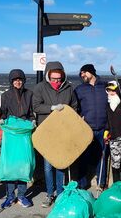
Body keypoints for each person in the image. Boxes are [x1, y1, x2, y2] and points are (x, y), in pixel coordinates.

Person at [32, 61, 78, 208]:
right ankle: (49, 194)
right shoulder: (40, 87)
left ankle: (60, 193)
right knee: (47, 167)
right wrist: (52, 108)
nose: (57, 81)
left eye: (59, 78)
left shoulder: (69, 88)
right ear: (48, 76)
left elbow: (75, 106)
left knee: (61, 164)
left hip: (63, 132)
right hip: (47, 132)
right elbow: (36, 107)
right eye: (53, 79)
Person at [0, 69, 34, 209]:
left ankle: (21, 195)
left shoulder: (29, 94)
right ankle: (10, 196)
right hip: (11, 132)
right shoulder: (5, 95)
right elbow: (3, 112)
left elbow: (31, 113)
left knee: (23, 165)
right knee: (10, 165)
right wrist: (1, 120)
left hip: (24, 132)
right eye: (15, 80)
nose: (18, 82)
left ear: (23, 81)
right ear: (11, 81)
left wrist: (33, 121)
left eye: (20, 80)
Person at [74, 64, 109, 190]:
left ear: (92, 72)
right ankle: (82, 184)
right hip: (86, 129)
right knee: (83, 157)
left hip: (103, 128)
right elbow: (75, 108)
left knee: (102, 156)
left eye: (84, 73)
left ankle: (101, 183)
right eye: (81, 73)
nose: (82, 75)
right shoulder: (79, 89)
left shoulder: (105, 86)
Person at [105, 80, 121, 185]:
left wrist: (119, 84)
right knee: (115, 162)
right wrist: (106, 132)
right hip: (113, 137)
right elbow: (107, 120)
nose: (111, 92)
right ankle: (116, 185)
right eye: (108, 90)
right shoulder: (108, 104)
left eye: (113, 90)